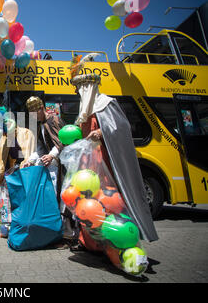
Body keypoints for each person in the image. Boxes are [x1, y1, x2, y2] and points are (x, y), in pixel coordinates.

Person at [71, 73, 159, 251]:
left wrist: (101, 133)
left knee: (109, 204)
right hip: (89, 168)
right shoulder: (85, 110)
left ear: (89, 88)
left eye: (80, 89)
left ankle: (114, 245)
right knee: (89, 205)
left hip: (107, 167)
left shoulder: (106, 103)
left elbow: (122, 128)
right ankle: (90, 243)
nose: (78, 93)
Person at [22, 96, 74, 249]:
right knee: (54, 200)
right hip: (52, 168)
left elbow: (61, 142)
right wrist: (30, 160)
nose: (33, 115)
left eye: (35, 111)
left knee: (63, 200)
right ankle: (56, 233)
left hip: (62, 167)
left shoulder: (54, 120)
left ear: (41, 108)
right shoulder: (41, 124)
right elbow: (40, 147)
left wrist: (52, 155)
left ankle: (68, 236)